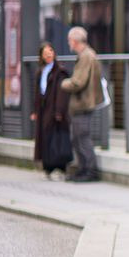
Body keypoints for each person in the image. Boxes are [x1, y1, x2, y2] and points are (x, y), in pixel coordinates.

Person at [60, 26, 104, 182]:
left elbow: (78, 82)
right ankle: (83, 169)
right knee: (77, 137)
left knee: (81, 137)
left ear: (74, 41)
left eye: (69, 40)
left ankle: (90, 170)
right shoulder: (87, 55)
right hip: (83, 103)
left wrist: (64, 83)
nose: (69, 43)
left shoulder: (86, 56)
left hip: (83, 104)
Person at [30, 42, 70, 180]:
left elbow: (62, 93)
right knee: (45, 137)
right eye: (45, 52)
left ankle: (59, 167)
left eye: (50, 51)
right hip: (43, 109)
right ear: (41, 56)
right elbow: (37, 92)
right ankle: (48, 167)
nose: (48, 54)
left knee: (56, 138)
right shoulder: (41, 71)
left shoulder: (60, 71)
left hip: (54, 109)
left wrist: (59, 111)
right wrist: (35, 110)